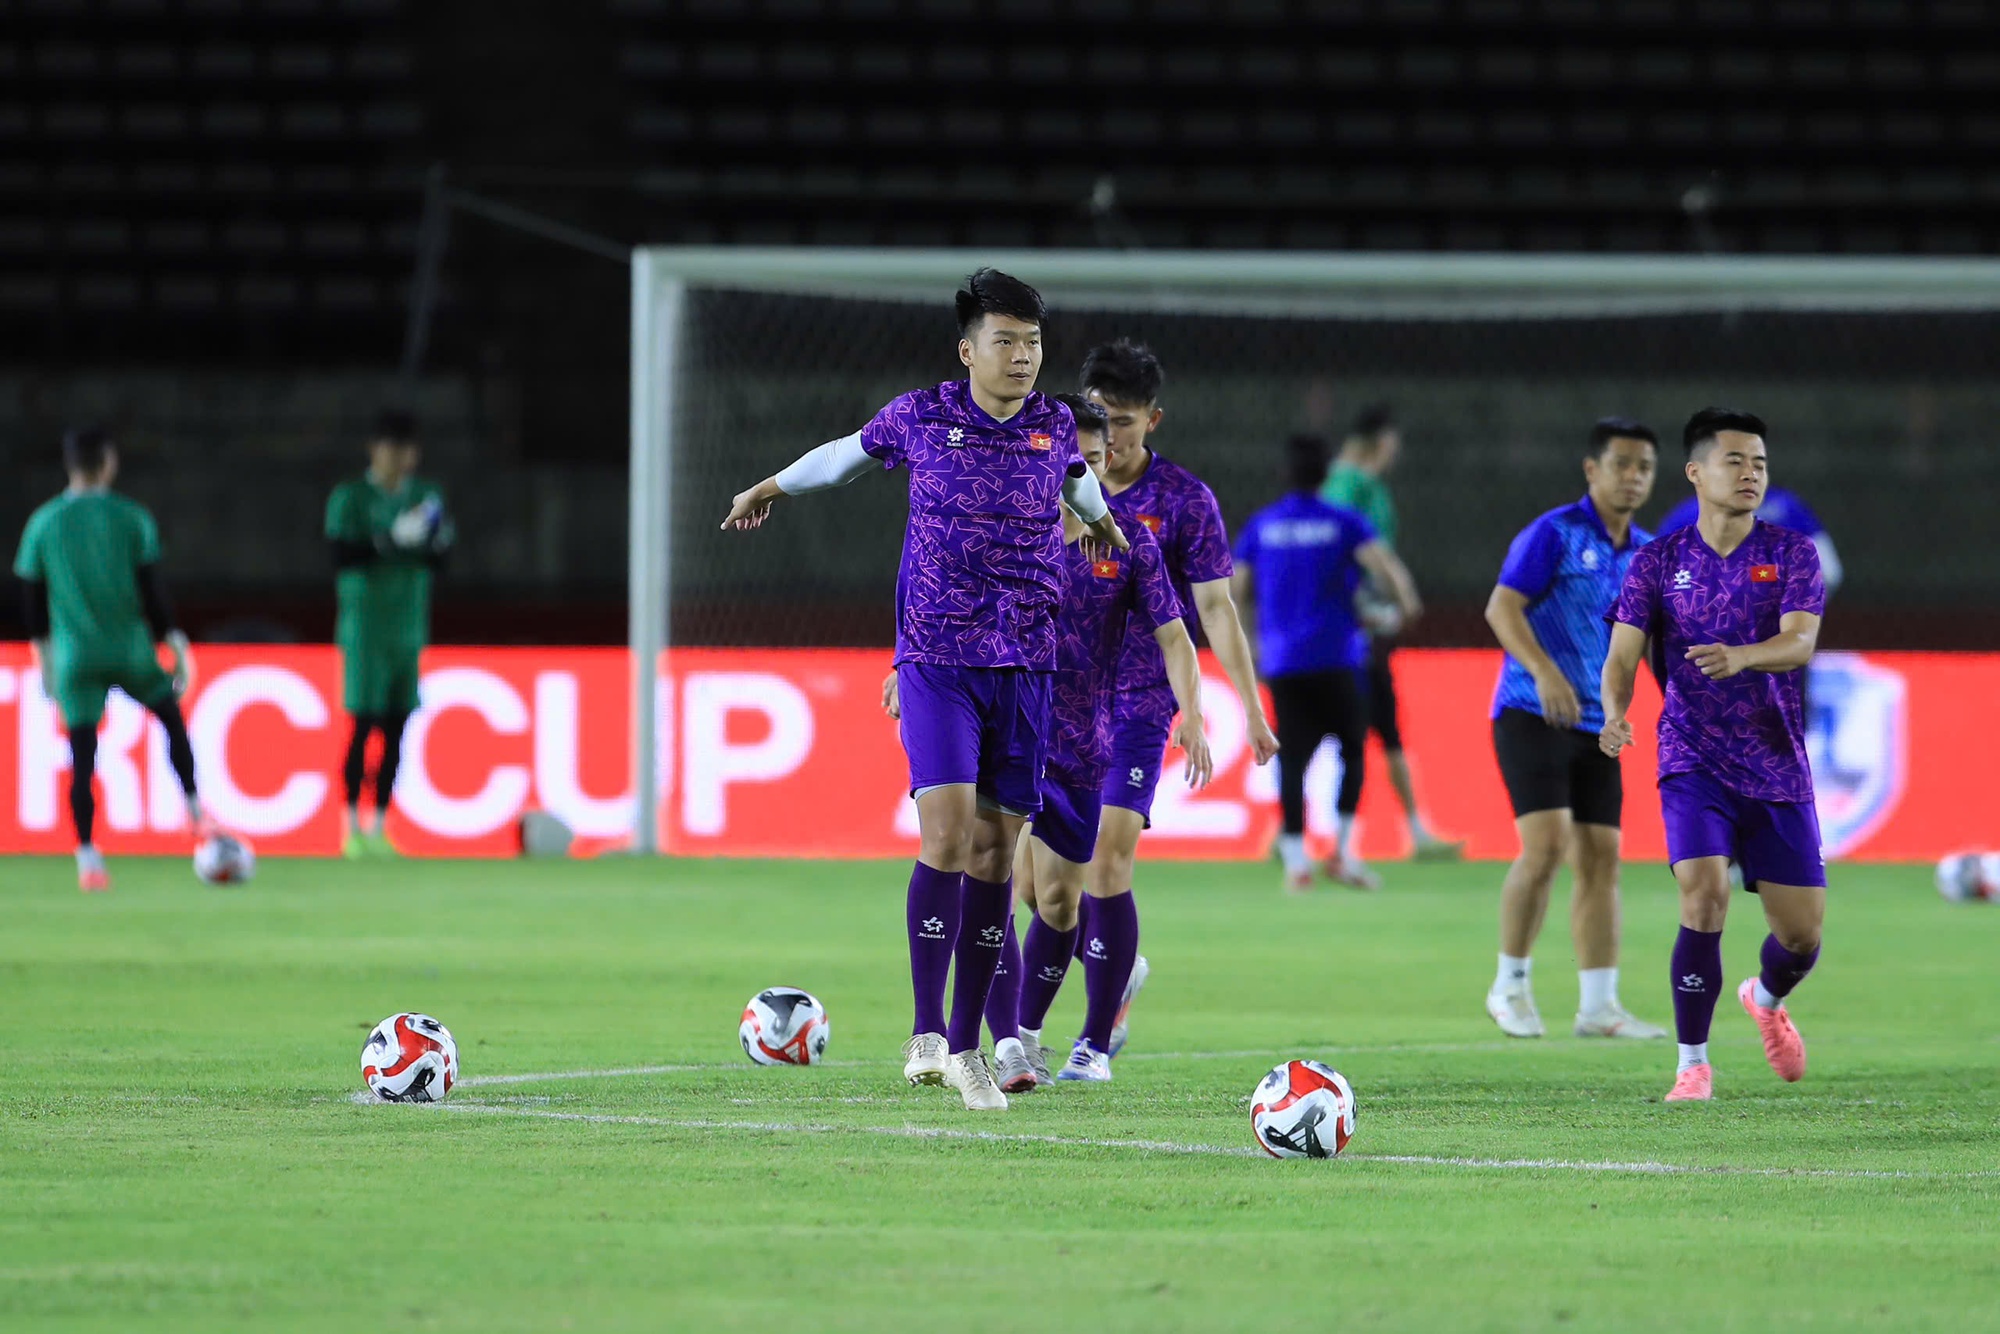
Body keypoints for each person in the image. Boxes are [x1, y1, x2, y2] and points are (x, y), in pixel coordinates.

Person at [722, 269, 1125, 1112]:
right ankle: (926, 1033)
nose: (1022, 357)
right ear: (968, 349)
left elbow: (1082, 488)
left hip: (1027, 665)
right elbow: (843, 459)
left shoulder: (1054, 425)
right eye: (1006, 341)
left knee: (994, 853)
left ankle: (973, 1045)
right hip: (937, 660)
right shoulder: (922, 416)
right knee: (944, 833)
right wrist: (768, 486)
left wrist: (1102, 525)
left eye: (1034, 342)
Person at [975, 395, 1211, 1089]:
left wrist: (1192, 712)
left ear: (1103, 461)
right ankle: (1009, 1046)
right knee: (994, 882)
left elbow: (1175, 636)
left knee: (1057, 900)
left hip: (1084, 741)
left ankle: (1041, 1033)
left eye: (1085, 457)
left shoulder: (1131, 544)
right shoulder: (1004, 533)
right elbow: (943, 602)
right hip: (1009, 730)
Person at [1602, 407, 1827, 1103]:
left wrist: (1744, 657)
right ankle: (1691, 1066)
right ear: (1696, 473)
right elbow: (1622, 657)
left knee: (1801, 937)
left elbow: (1800, 642)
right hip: (1692, 756)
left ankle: (1763, 995)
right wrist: (1614, 712)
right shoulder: (1658, 562)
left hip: (1776, 762)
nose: (1751, 473)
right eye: (1736, 461)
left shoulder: (1793, 553)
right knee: (1704, 894)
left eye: (1759, 462)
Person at [1081, 339, 1278, 1059]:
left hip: (1141, 695)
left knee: (1108, 858)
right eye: (1100, 414)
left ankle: (1092, 1043)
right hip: (1058, 695)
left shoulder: (1184, 501)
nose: (1112, 432)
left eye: (1125, 420)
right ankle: (1116, 967)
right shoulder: (1053, 482)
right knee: (1040, 886)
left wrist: (1250, 709)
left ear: (1153, 420)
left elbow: (1217, 611)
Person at [1484, 418, 1666, 1041]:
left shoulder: (1648, 553)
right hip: (1531, 712)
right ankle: (1509, 985)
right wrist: (1542, 672)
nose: (1633, 476)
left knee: (1602, 858)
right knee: (1548, 846)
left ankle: (1598, 1007)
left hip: (1598, 725)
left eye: (1644, 466)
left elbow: (1646, 642)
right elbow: (1501, 607)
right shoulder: (1553, 533)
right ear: (1592, 470)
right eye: (1621, 464)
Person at [14, 425, 213, 892]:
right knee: (170, 718)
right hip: (128, 650)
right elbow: (153, 589)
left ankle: (88, 858)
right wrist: (177, 644)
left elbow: (31, 600)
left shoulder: (42, 523)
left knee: (82, 754)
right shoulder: (131, 518)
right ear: (108, 464)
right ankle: (196, 814)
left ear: (69, 466)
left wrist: (44, 660)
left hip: (75, 655)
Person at [1232, 435, 1419, 892]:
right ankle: (1344, 852)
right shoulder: (1345, 522)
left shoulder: (1263, 525)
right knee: (1353, 748)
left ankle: (1296, 861)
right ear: (1324, 476)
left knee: (1291, 757)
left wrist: (1252, 642)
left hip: (1284, 662)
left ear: (1286, 475)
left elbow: (1235, 589)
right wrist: (1402, 608)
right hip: (1337, 657)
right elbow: (1388, 572)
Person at [1322, 404, 1463, 860]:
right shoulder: (1350, 487)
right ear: (1382, 445)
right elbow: (1347, 552)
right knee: (1360, 729)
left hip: (1355, 626)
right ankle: (1321, 837)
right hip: (1349, 630)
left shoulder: (1357, 485)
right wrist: (1376, 604)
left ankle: (1412, 831)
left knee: (1366, 727)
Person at [325, 409, 454, 857]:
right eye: (390, 449)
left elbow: (443, 557)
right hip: (365, 628)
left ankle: (380, 826)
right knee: (363, 725)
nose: (398, 459)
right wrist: (389, 541)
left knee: (398, 729)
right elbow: (341, 555)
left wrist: (427, 541)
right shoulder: (351, 497)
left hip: (408, 627)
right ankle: (349, 827)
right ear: (374, 451)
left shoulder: (427, 496)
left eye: (406, 450)